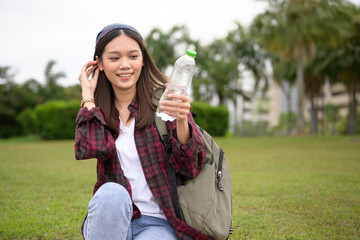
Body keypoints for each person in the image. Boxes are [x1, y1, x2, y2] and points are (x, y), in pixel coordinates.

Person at [75, 23, 210, 240]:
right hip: (114, 218)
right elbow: (92, 147)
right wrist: (87, 94)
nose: (125, 65)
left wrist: (182, 119)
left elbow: (190, 167)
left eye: (133, 56)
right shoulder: (96, 110)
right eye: (114, 58)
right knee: (111, 193)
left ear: (143, 60)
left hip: (158, 225)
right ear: (99, 63)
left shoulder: (165, 102)